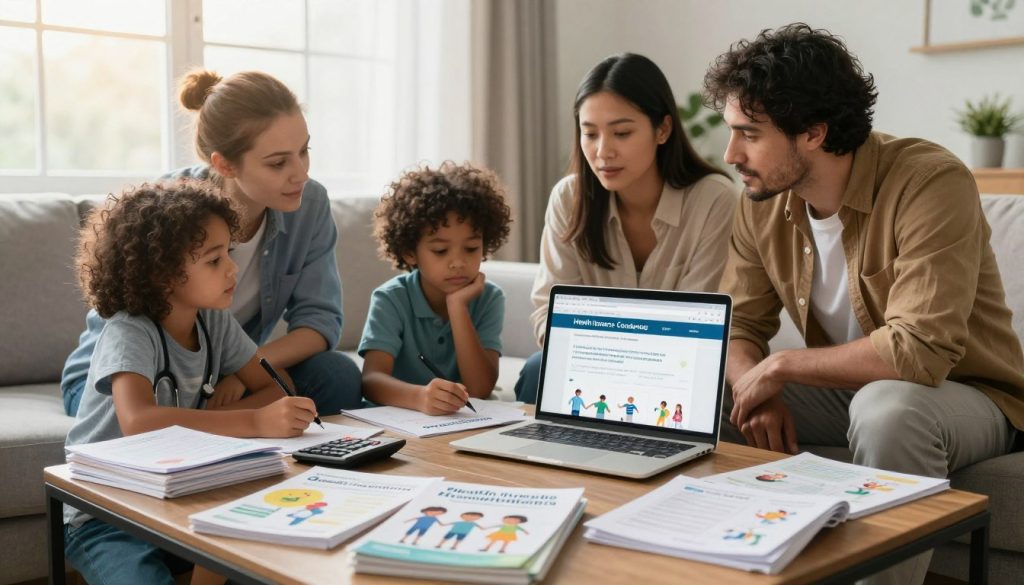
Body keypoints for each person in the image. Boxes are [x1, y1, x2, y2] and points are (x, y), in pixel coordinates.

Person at [703, 23, 1024, 585]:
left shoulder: (930, 181)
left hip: (966, 393)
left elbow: (919, 351)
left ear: (813, 132)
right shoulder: (761, 202)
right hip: (849, 389)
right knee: (701, 392)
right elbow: (739, 326)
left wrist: (781, 367)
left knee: (888, 409)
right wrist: (757, 385)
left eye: (749, 134)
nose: (731, 154)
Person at [60, 69, 362, 417]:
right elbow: (128, 323)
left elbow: (319, 322)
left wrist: (244, 373)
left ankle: (213, 426)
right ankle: (210, 425)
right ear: (225, 164)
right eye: (279, 163)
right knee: (169, 399)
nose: (302, 174)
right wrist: (249, 412)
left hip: (228, 367)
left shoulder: (310, 205)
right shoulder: (169, 209)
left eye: (304, 151)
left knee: (336, 375)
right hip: (136, 374)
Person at [63, 182, 319, 585]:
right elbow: (139, 421)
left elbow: (277, 384)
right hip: (106, 511)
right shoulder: (130, 330)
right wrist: (255, 421)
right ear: (161, 274)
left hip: (174, 494)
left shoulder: (213, 320)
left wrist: (242, 405)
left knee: (259, 542)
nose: (233, 269)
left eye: (228, 253)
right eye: (214, 260)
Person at [514, 53, 737, 404]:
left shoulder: (713, 199)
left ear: (662, 129)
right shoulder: (569, 198)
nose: (603, 151)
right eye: (590, 133)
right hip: (593, 365)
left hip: (677, 371)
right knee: (537, 369)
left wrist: (608, 343)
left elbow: (700, 326)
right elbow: (549, 313)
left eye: (621, 133)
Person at [359, 162, 512, 414]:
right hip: (400, 418)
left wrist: (457, 306)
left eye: (471, 248)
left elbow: (479, 389)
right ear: (410, 252)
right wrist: (419, 397)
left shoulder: (490, 297)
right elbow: (371, 380)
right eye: (440, 251)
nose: (458, 262)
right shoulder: (391, 299)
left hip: (464, 420)